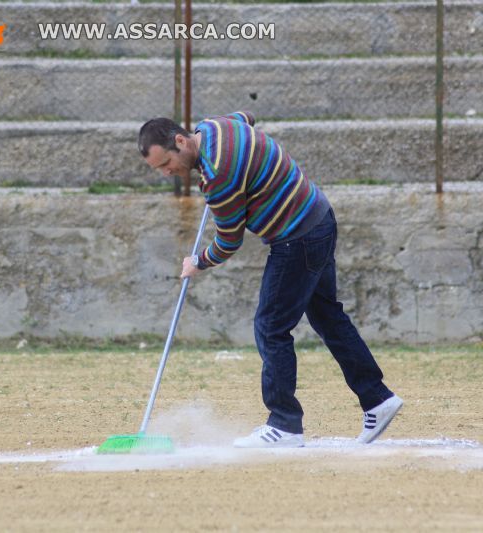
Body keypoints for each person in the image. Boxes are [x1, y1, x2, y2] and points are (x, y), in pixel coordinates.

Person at [138, 111, 402, 447]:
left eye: (167, 163)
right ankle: (378, 399)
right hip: (318, 215)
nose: (167, 173)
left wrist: (198, 262)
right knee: (328, 317)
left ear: (179, 140)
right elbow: (246, 116)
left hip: (297, 237)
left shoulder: (218, 178)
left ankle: (285, 424)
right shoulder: (213, 126)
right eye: (160, 169)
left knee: (271, 327)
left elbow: (229, 241)